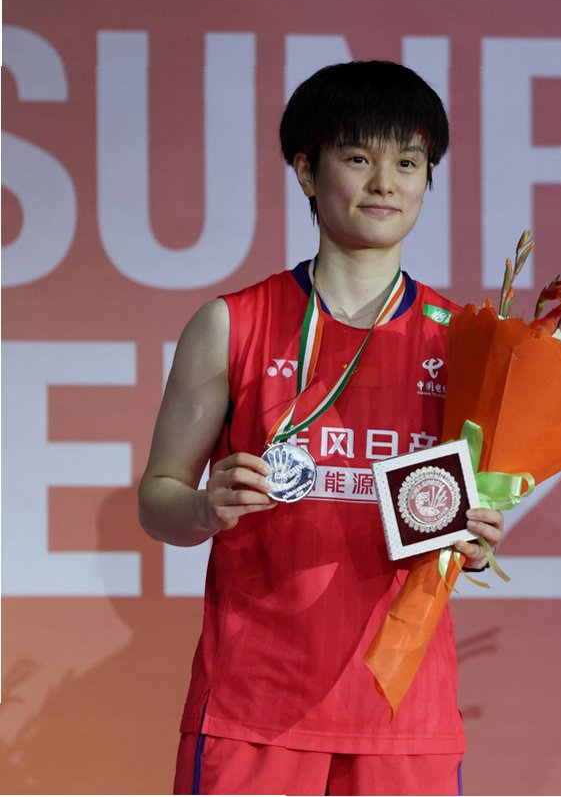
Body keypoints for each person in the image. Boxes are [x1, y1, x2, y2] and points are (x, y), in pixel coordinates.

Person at [138, 61, 504, 795]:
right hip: (253, 707)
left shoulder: (466, 341)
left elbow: (469, 507)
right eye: (358, 158)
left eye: (408, 163)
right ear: (307, 171)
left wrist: (479, 536)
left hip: (404, 714)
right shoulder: (231, 325)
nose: (385, 183)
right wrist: (206, 507)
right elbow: (158, 499)